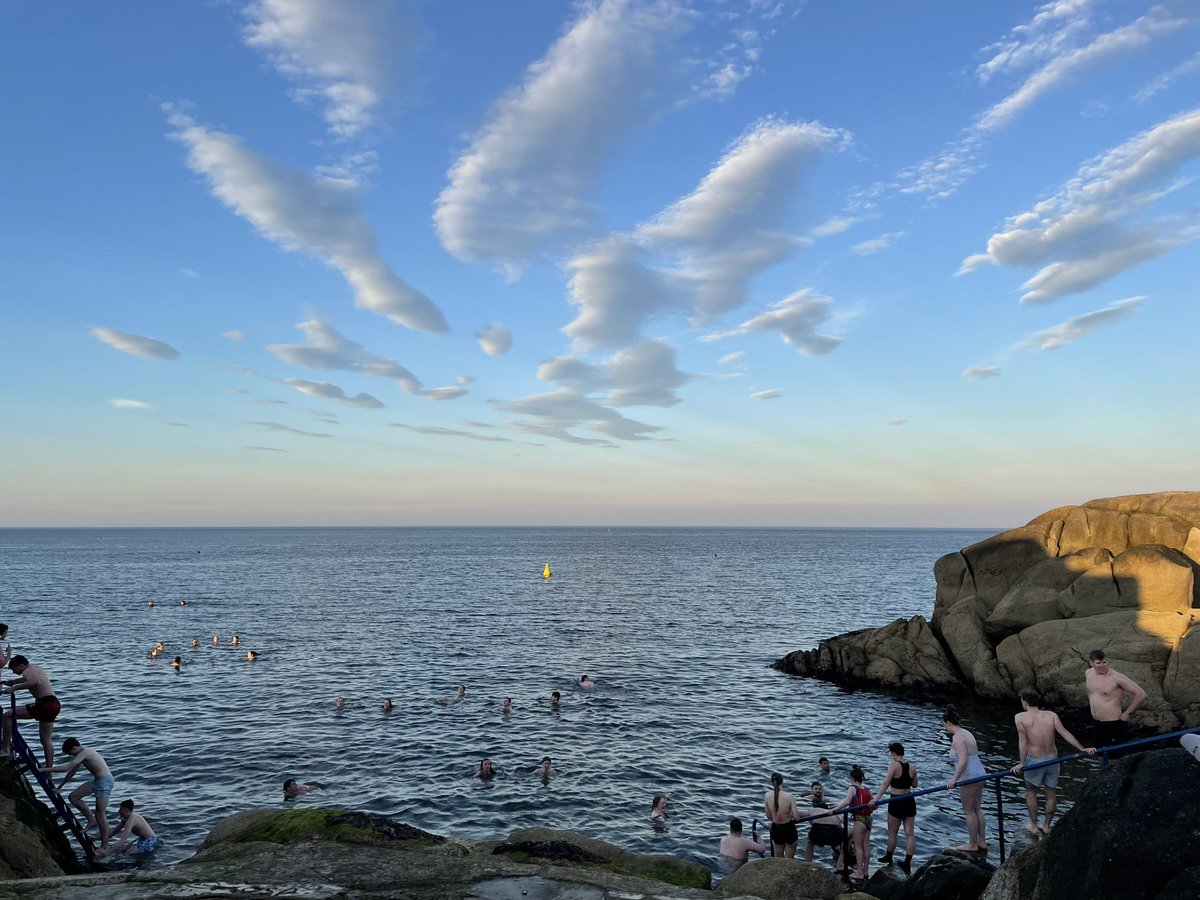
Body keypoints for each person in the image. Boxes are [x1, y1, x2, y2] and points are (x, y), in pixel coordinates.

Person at [1010, 689, 1096, 835]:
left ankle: (1033, 825)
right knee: (1051, 794)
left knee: (1031, 792)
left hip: (1035, 760)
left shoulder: (1020, 717)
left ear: (1025, 702)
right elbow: (1064, 733)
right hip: (1052, 759)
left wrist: (1021, 763)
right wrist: (1082, 748)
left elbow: (1023, 742)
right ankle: (1047, 826)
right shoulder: (1051, 715)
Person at [41, 737, 114, 849]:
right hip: (97, 781)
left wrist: (43, 770)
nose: (71, 756)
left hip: (105, 782)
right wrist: (60, 787)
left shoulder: (86, 752)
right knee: (73, 797)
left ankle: (105, 846)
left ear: (75, 748)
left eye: (71, 753)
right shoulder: (82, 754)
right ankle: (91, 820)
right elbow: (71, 772)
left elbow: (66, 768)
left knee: (100, 815)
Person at [1, 655, 61, 767]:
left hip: (44, 704)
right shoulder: (34, 668)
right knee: (46, 740)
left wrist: (14, 688)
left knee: (8, 716)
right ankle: (49, 770)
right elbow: (28, 679)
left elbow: (35, 681)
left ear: (20, 665)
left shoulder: (28, 670)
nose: (14, 672)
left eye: (14, 669)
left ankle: (5, 749)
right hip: (54, 704)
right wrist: (13, 682)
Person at [1085, 650, 1146, 753]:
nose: (1102, 666)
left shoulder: (1117, 678)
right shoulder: (1088, 673)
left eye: (1104, 662)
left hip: (1114, 724)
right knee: (1099, 755)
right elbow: (1091, 693)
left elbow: (1141, 694)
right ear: (1091, 663)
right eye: (1098, 663)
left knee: (1115, 759)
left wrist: (1127, 713)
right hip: (1096, 723)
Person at [944, 708, 987, 853]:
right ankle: (982, 841)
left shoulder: (957, 738)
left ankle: (972, 844)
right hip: (980, 773)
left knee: (969, 811)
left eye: (944, 725)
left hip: (970, 777)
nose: (944, 728)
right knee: (977, 809)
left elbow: (962, 761)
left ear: (949, 722)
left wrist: (954, 779)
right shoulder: (967, 733)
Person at [873, 742, 918, 874]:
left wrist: (876, 799)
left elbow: (886, 783)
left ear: (894, 753)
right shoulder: (913, 767)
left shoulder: (893, 765)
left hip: (896, 800)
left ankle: (888, 856)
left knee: (893, 833)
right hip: (909, 800)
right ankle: (907, 862)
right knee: (910, 834)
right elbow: (915, 785)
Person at [831, 766, 873, 882]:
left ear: (852, 778)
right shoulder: (867, 789)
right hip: (869, 819)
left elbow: (847, 802)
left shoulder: (852, 788)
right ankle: (865, 871)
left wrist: (835, 809)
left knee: (858, 847)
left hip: (859, 819)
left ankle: (859, 872)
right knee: (866, 845)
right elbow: (875, 804)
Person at [801, 782, 848, 866]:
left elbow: (799, 814)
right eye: (815, 789)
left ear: (822, 791)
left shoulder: (821, 803)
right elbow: (839, 826)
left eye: (819, 789)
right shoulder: (807, 798)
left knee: (810, 839)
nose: (818, 790)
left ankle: (808, 863)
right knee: (842, 837)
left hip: (818, 834)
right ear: (812, 791)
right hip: (834, 834)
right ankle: (841, 863)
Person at [763, 772, 798, 858]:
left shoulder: (767, 796)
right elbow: (797, 817)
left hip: (776, 828)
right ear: (782, 782)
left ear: (772, 783)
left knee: (778, 858)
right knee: (789, 860)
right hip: (789, 828)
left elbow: (768, 816)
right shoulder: (789, 796)